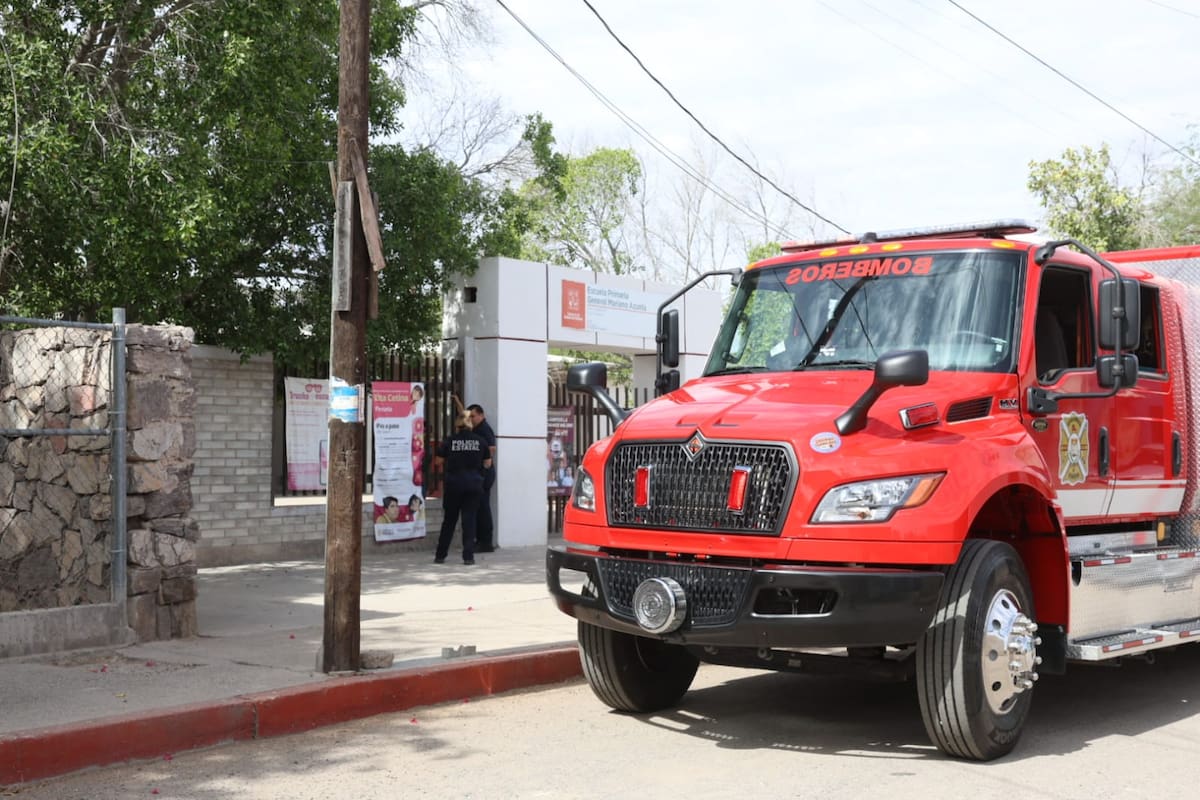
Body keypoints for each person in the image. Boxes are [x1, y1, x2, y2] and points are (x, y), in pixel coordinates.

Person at [434, 412, 491, 565]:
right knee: (469, 520)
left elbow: (438, 461)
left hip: (454, 485)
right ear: (470, 424)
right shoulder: (480, 441)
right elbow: (487, 463)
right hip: (473, 485)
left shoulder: (449, 441)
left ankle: (440, 555)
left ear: (457, 425)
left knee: (449, 521)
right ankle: (468, 557)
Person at [467, 403, 497, 552]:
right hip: (478, 473)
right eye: (469, 416)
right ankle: (480, 540)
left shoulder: (484, 429)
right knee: (478, 508)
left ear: (481, 415)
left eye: (473, 416)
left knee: (483, 508)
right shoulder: (475, 429)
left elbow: (491, 450)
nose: (471, 419)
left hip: (484, 474)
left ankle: (486, 542)